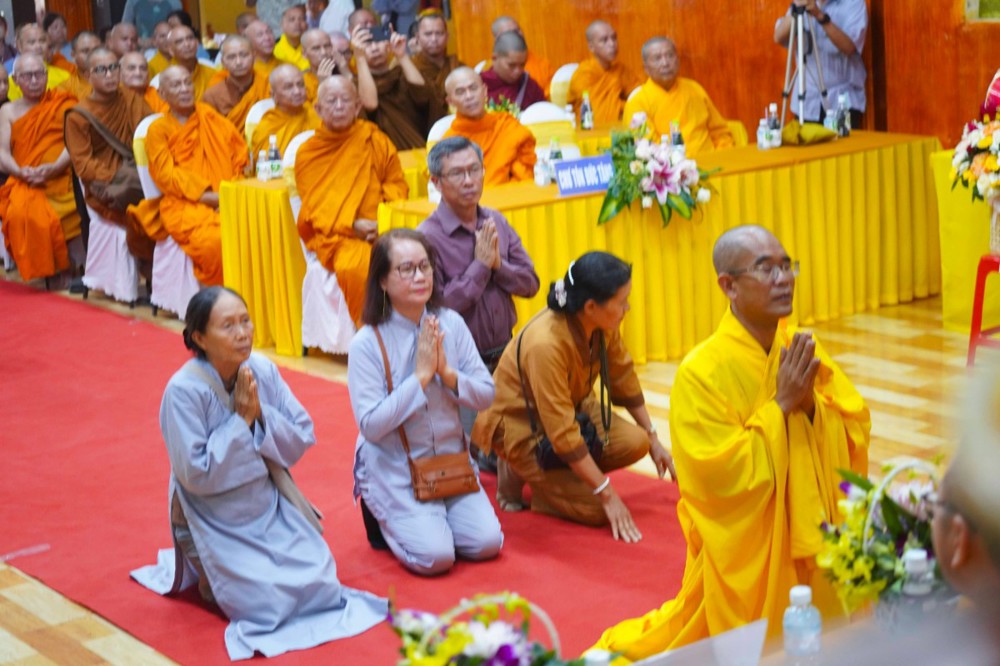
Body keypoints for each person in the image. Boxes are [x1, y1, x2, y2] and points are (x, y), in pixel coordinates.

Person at [592, 225, 870, 661]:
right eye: (766, 269)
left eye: (787, 266)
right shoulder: (701, 372)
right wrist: (782, 406)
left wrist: (810, 407)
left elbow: (852, 426)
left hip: (811, 538)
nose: (784, 279)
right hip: (750, 556)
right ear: (729, 286)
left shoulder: (797, 347)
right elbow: (716, 478)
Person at [130, 286, 388, 660]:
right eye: (228, 326)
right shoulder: (183, 391)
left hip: (267, 503)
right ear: (199, 337)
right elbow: (195, 475)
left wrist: (259, 417)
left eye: (246, 321)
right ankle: (212, 576)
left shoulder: (261, 370)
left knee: (321, 580)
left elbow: (302, 434)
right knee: (266, 604)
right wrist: (241, 422)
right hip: (212, 516)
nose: (243, 333)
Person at [472, 251, 675, 537]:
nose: (627, 307)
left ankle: (559, 480)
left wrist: (654, 437)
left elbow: (623, 376)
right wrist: (606, 493)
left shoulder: (601, 323)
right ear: (591, 306)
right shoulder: (545, 344)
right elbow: (562, 432)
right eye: (622, 302)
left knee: (637, 442)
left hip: (573, 409)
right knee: (596, 509)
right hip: (523, 426)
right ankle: (527, 473)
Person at [347, 228, 503, 575]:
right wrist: (419, 378)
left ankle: (435, 519)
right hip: (397, 469)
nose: (419, 277)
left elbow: (486, 393)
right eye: (406, 269)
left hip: (450, 463)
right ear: (383, 281)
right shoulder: (367, 343)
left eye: (425, 267)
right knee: (436, 558)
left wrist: (447, 374)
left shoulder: (451, 323)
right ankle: (382, 513)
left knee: (487, 543)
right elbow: (371, 426)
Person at [418, 136, 539, 372]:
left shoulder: (496, 221)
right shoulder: (427, 237)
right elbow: (435, 310)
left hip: (507, 356)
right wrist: (480, 267)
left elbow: (531, 284)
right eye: (457, 173)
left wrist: (498, 266)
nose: (469, 181)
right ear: (436, 182)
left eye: (475, 170)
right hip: (457, 365)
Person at [295, 75, 408, 327]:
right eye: (331, 101)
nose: (339, 106)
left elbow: (396, 183)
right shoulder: (309, 153)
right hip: (339, 236)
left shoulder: (374, 138)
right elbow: (315, 207)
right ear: (318, 109)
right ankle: (373, 332)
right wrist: (353, 226)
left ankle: (411, 327)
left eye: (345, 100)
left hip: (382, 228)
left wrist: (382, 221)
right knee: (359, 267)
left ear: (357, 106)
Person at [127, 66, 248, 287]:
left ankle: (252, 292)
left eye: (187, 82)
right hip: (184, 203)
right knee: (215, 241)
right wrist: (211, 198)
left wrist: (231, 192)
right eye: (176, 85)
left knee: (255, 228)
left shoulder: (211, 118)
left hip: (228, 196)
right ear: (162, 94)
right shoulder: (158, 130)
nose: (184, 89)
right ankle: (220, 295)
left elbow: (239, 159)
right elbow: (166, 176)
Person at [65, 48, 154, 270]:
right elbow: (83, 165)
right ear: (88, 76)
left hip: (137, 176)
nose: (109, 75)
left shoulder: (131, 99)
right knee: (144, 214)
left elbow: (153, 136)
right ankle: (148, 265)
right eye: (101, 70)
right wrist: (117, 177)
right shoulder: (78, 116)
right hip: (106, 188)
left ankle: (157, 269)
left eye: (114, 68)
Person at [0, 54, 82, 284]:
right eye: (28, 76)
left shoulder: (65, 103)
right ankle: (49, 269)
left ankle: (70, 267)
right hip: (25, 180)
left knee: (77, 204)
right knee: (19, 212)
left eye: (39, 74)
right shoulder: (7, 111)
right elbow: (2, 153)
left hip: (62, 176)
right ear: (16, 80)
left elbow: (75, 142)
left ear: (47, 76)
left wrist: (55, 167)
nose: (35, 80)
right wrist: (20, 172)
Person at [622, 37, 733, 157]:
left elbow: (720, 132)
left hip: (713, 160)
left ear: (678, 60)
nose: (665, 63)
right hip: (671, 166)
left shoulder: (694, 88)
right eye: (657, 58)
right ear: (646, 68)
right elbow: (648, 147)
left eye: (670, 55)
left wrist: (722, 155)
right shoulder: (638, 101)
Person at [774, 0, 867, 128]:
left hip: (841, 102)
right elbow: (778, 37)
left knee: (843, 141)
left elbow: (849, 48)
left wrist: (819, 16)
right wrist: (796, 10)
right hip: (807, 101)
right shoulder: (801, 3)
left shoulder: (853, 4)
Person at [442, 66, 536, 186]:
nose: (469, 96)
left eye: (473, 88)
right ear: (450, 101)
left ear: (484, 91)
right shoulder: (448, 143)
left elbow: (526, 173)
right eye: (460, 92)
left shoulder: (507, 126)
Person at [352, 19, 429, 150]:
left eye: (378, 41)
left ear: (388, 44)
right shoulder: (355, 84)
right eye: (367, 44)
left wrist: (401, 55)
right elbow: (370, 105)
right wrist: (360, 58)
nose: (374, 48)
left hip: (415, 147)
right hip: (382, 152)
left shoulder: (401, 74)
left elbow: (423, 95)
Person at [568, 20, 641, 124]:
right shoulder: (584, 73)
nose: (612, 44)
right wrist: (626, 107)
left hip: (621, 127)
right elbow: (596, 110)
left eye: (614, 38)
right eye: (604, 40)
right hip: (590, 129)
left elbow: (640, 95)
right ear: (591, 47)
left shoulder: (621, 70)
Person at [250, 64, 321, 157]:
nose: (297, 91)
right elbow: (265, 161)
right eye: (288, 87)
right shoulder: (267, 127)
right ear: (273, 95)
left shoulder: (317, 115)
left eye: (300, 85)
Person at [202, 35, 270, 132]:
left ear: (254, 57)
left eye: (244, 55)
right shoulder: (212, 95)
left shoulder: (269, 85)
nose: (238, 62)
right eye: (231, 57)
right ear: (223, 62)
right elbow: (210, 132)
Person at [410, 11, 463, 133]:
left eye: (439, 33)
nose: (434, 39)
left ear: (447, 36)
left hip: (458, 128)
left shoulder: (457, 66)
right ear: (417, 37)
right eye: (428, 34)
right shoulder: (410, 68)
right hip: (421, 130)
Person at [481, 31, 545, 111]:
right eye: (511, 65)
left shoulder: (530, 87)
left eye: (522, 65)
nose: (518, 71)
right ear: (494, 58)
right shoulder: (479, 85)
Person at [490, 15, 553, 95]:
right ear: (497, 39)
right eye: (509, 33)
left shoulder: (542, 65)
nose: (517, 35)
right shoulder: (487, 72)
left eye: (517, 30)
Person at [7, 24, 69, 101]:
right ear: (19, 46)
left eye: (42, 41)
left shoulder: (64, 76)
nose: (38, 46)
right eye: (32, 42)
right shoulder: (10, 82)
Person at [166, 24, 216, 101]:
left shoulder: (212, 74)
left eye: (190, 38)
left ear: (197, 43)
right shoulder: (163, 80)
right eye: (179, 42)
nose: (187, 44)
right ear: (170, 50)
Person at [300, 28, 352, 101]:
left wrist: (345, 71)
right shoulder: (301, 80)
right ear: (304, 54)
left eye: (327, 46)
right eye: (316, 48)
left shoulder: (343, 69)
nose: (323, 52)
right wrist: (323, 85)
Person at [57, 31, 101, 101]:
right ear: (73, 56)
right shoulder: (65, 87)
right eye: (85, 51)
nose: (92, 55)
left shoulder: (116, 79)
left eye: (96, 50)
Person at [273, 4, 310, 71]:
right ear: (282, 25)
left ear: (307, 25)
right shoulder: (273, 49)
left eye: (302, 19)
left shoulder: (314, 46)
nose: (297, 23)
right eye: (292, 20)